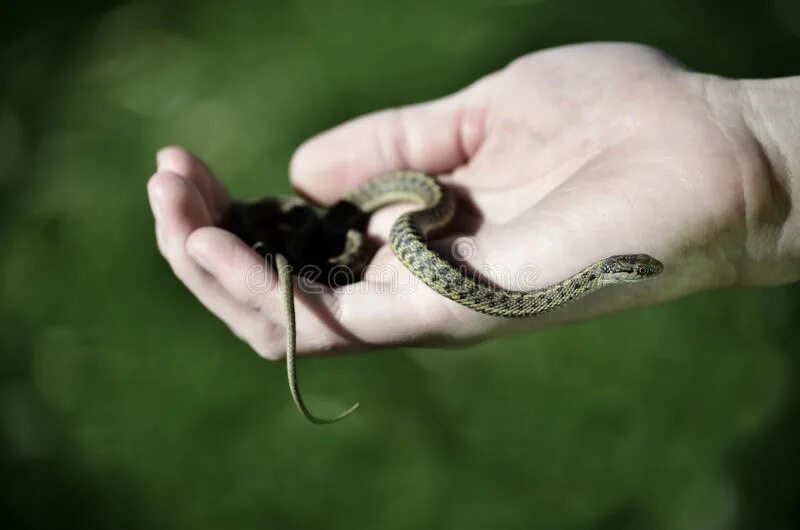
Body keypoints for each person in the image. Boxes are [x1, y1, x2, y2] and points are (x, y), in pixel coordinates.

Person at [146, 43, 799, 360]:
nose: (640, 265)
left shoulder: (553, 276)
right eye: (637, 264)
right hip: (389, 219)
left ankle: (301, 237)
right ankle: (289, 231)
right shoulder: (423, 208)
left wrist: (759, 146)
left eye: (636, 265)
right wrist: (753, 143)